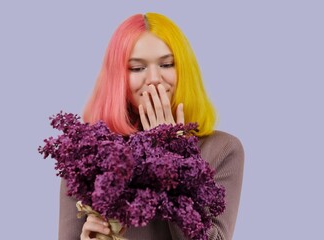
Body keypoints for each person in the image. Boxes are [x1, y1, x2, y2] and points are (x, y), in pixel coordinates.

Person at [58, 12, 244, 240]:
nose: (154, 78)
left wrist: (170, 155)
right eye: (137, 68)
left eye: (166, 64)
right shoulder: (89, 154)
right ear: (119, 79)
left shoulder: (222, 149)